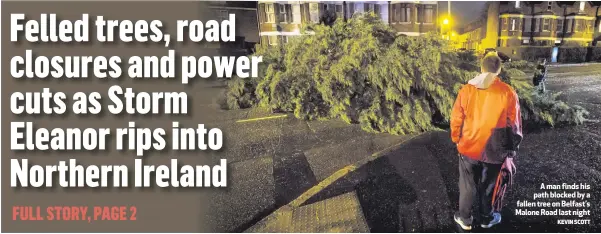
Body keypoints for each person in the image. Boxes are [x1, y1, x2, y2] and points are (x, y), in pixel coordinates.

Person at [450, 52, 523, 230]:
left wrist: (456, 139)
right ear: (499, 70)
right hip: (495, 148)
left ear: (481, 68)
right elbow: (514, 124)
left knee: (467, 185)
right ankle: (486, 218)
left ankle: (465, 219)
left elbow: (456, 118)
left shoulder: (467, 90)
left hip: (468, 146)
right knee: (489, 185)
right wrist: (512, 147)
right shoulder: (508, 92)